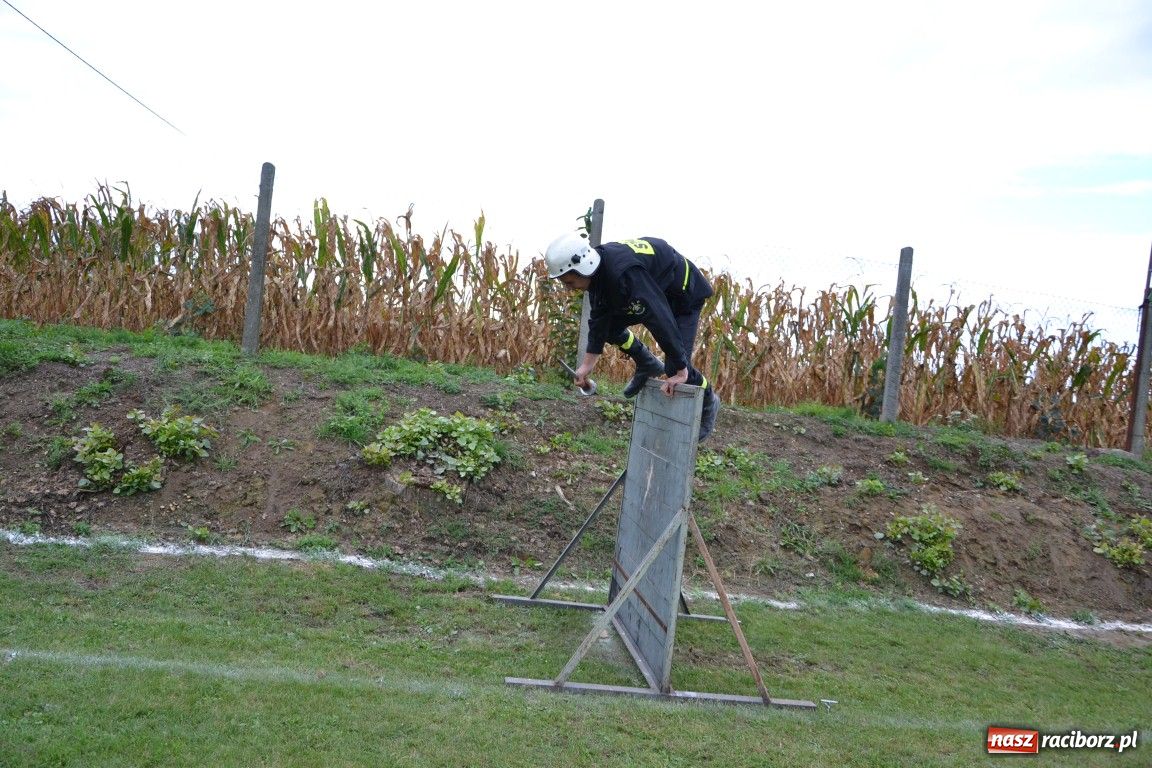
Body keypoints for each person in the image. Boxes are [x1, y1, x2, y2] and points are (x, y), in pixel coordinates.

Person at [544, 231, 721, 442]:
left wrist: (682, 368)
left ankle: (709, 400)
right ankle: (647, 362)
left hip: (683, 296)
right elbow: (599, 320)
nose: (568, 288)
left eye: (569, 282)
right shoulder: (600, 275)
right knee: (608, 326)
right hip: (658, 291)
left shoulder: (624, 274)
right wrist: (586, 366)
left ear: (581, 267)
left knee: (676, 368)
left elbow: (659, 317)